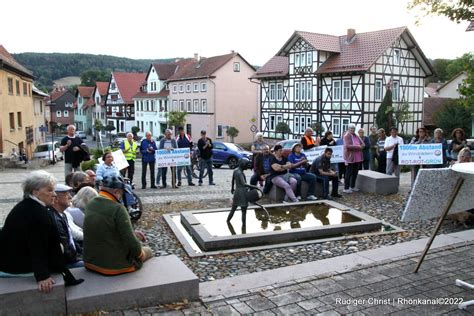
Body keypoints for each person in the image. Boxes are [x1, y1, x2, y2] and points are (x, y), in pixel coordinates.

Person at [0, 170, 83, 293]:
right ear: (35, 192)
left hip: (11, 259)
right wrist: (42, 276)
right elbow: (36, 245)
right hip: (16, 264)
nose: (54, 194)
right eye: (49, 190)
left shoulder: (30, 205)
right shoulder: (36, 213)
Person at [83, 175, 153, 275]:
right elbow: (132, 243)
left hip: (90, 262)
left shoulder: (91, 204)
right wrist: (140, 253)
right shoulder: (118, 208)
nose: (121, 196)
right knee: (148, 251)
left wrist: (131, 232)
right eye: (121, 193)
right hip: (112, 266)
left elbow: (105, 229)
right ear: (116, 191)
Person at [49, 184, 83, 268]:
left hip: (73, 258)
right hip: (66, 264)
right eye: (66, 194)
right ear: (56, 199)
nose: (70, 197)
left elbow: (71, 241)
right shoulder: (54, 218)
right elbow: (65, 250)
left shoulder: (63, 214)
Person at [226, 158, 259, 225]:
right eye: (247, 165)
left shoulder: (235, 170)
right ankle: (244, 226)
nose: (248, 166)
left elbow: (233, 180)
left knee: (233, 209)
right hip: (242, 193)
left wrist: (232, 188)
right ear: (243, 165)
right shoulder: (240, 172)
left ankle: (228, 221)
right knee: (243, 211)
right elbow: (244, 184)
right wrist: (254, 186)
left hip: (237, 192)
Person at [343, 124, 364, 193]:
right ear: (348, 129)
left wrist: (359, 146)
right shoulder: (346, 136)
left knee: (355, 172)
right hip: (350, 157)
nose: (352, 130)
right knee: (348, 173)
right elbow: (348, 146)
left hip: (357, 157)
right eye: (351, 128)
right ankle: (346, 188)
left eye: (353, 128)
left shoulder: (356, 136)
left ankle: (352, 186)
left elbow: (363, 144)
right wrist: (358, 147)